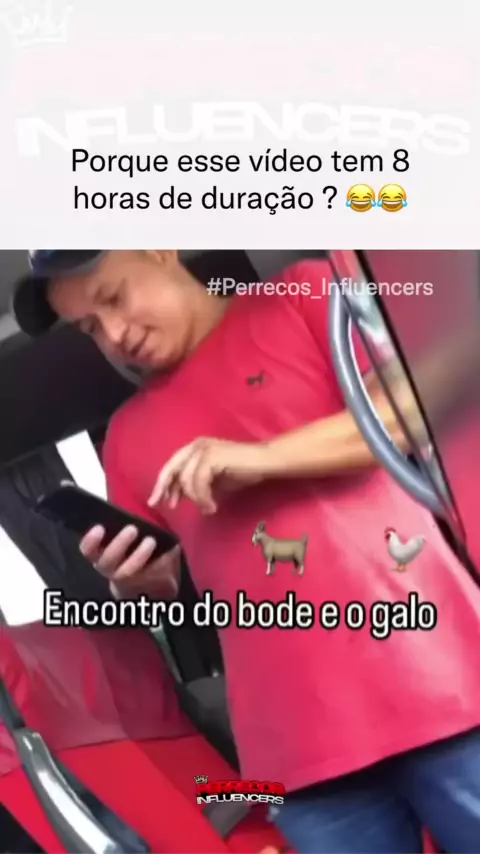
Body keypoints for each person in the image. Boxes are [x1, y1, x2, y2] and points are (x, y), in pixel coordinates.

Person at [11, 248, 480, 853]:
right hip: (297, 761)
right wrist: (134, 584)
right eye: (91, 328)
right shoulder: (126, 439)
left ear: (157, 249)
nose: (116, 334)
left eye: (114, 298)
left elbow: (411, 407)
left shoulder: (302, 296)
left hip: (446, 688)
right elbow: (164, 586)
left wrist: (259, 458)